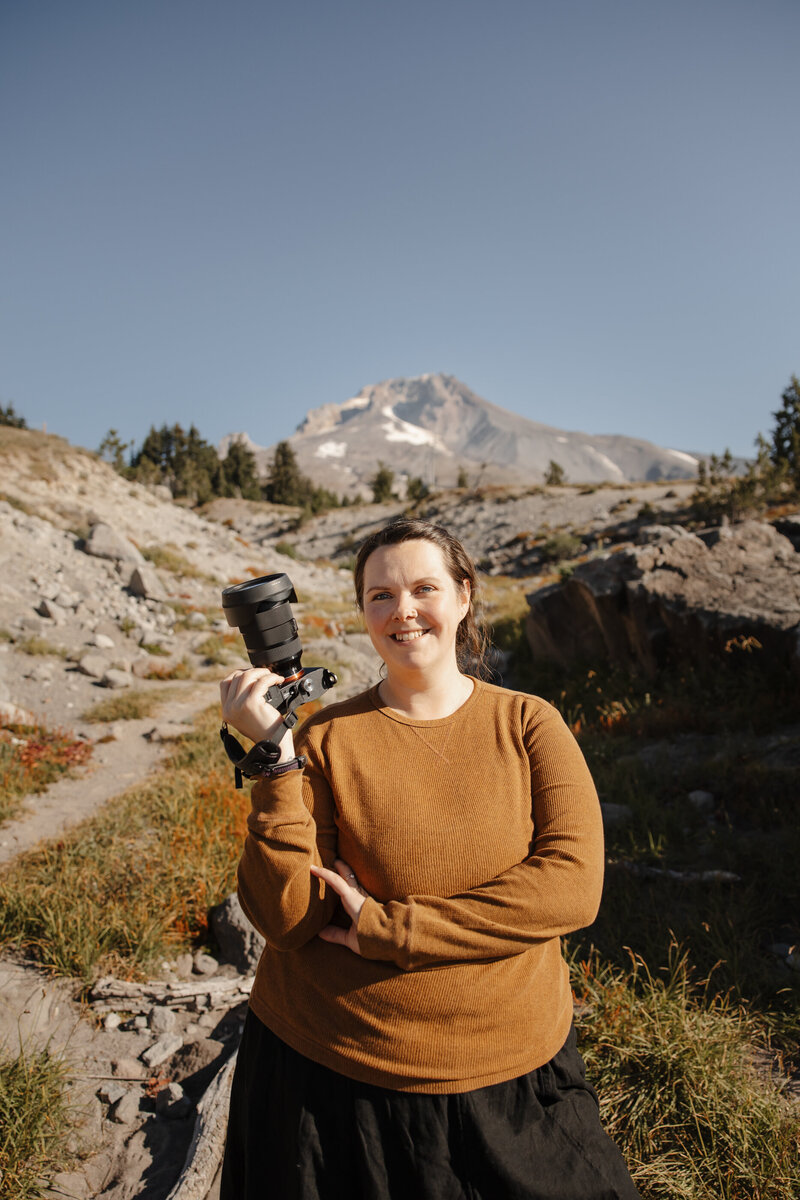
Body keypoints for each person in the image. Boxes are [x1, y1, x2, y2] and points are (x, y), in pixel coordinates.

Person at [219, 517, 640, 1200]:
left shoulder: (529, 723)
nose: (402, 611)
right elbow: (290, 919)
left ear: (464, 596)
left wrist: (391, 930)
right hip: (327, 1077)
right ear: (362, 611)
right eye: (379, 595)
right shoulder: (325, 736)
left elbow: (571, 889)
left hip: (511, 1073)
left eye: (423, 588)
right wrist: (274, 760)